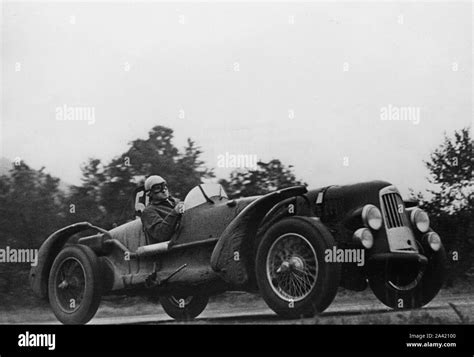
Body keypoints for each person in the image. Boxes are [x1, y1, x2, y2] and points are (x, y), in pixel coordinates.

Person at [141, 175, 184, 244]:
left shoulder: (177, 202)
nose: (163, 190)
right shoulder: (149, 211)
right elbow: (160, 234)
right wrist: (175, 212)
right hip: (173, 249)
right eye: (157, 188)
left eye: (164, 186)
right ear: (150, 193)